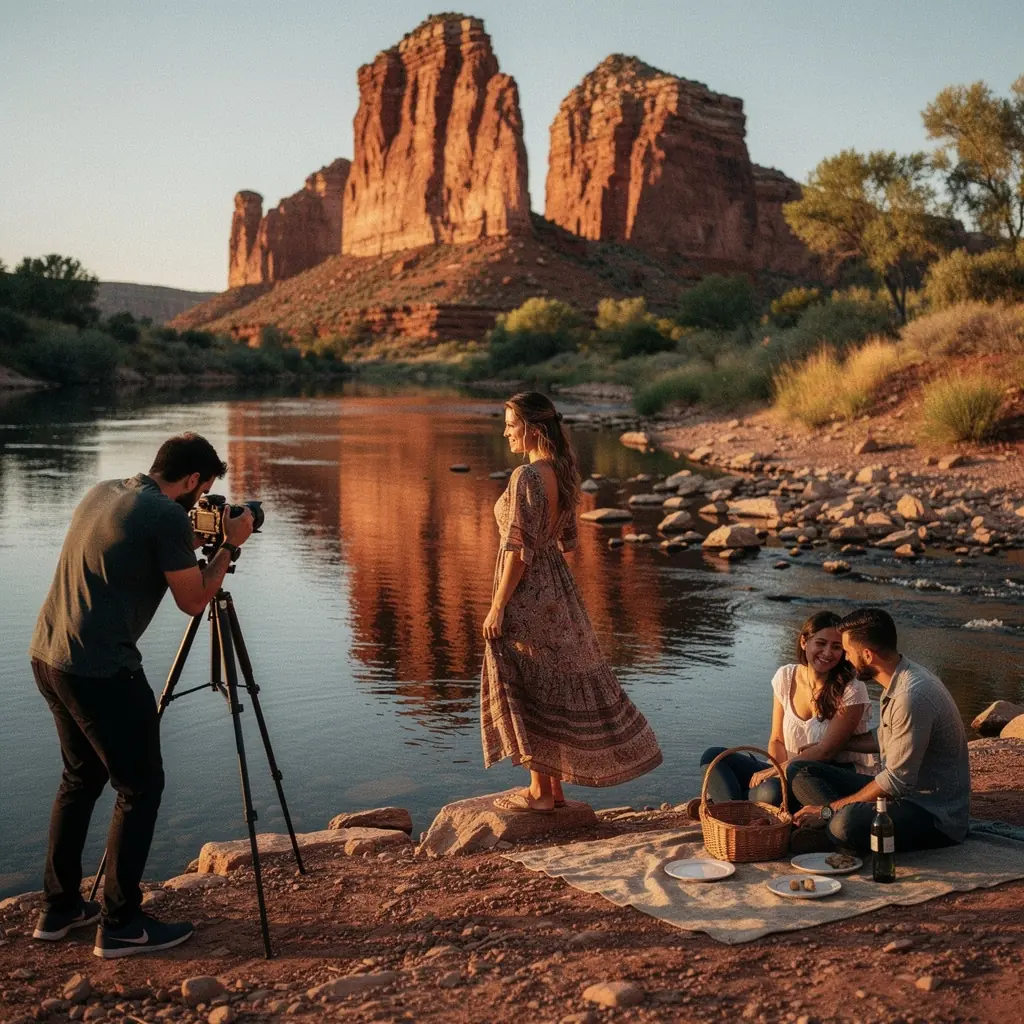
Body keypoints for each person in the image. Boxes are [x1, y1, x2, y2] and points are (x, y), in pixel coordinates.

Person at [29, 433, 254, 958]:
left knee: (81, 778)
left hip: (49, 655)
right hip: (101, 670)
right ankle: (122, 924)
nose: (199, 507)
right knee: (140, 787)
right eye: (202, 495)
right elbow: (195, 601)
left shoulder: (106, 491)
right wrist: (228, 545)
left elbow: (134, 549)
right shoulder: (164, 518)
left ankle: (59, 909)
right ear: (194, 480)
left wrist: (194, 543)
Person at [480, 392, 662, 811]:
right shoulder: (562, 469)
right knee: (552, 681)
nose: (505, 432)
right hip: (557, 589)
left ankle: (540, 793)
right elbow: (566, 542)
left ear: (533, 428)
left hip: (527, 591)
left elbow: (518, 549)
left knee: (531, 682)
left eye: (511, 425)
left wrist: (499, 605)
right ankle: (555, 790)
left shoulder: (525, 477)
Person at [790, 607, 970, 854]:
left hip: (932, 814)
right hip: (900, 796)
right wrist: (842, 743)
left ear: (867, 654)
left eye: (848, 652)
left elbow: (896, 782)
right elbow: (883, 736)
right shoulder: (899, 677)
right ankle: (825, 830)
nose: (846, 659)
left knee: (846, 822)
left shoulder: (911, 696)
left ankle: (829, 828)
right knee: (801, 770)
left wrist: (829, 809)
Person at [698, 611, 875, 809]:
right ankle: (738, 808)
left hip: (827, 776)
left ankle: (730, 806)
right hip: (787, 769)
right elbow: (777, 740)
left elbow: (826, 751)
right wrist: (778, 774)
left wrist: (777, 779)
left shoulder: (852, 689)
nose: (827, 653)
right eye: (821, 643)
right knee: (713, 757)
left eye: (836, 647)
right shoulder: (785, 676)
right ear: (804, 642)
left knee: (771, 791)